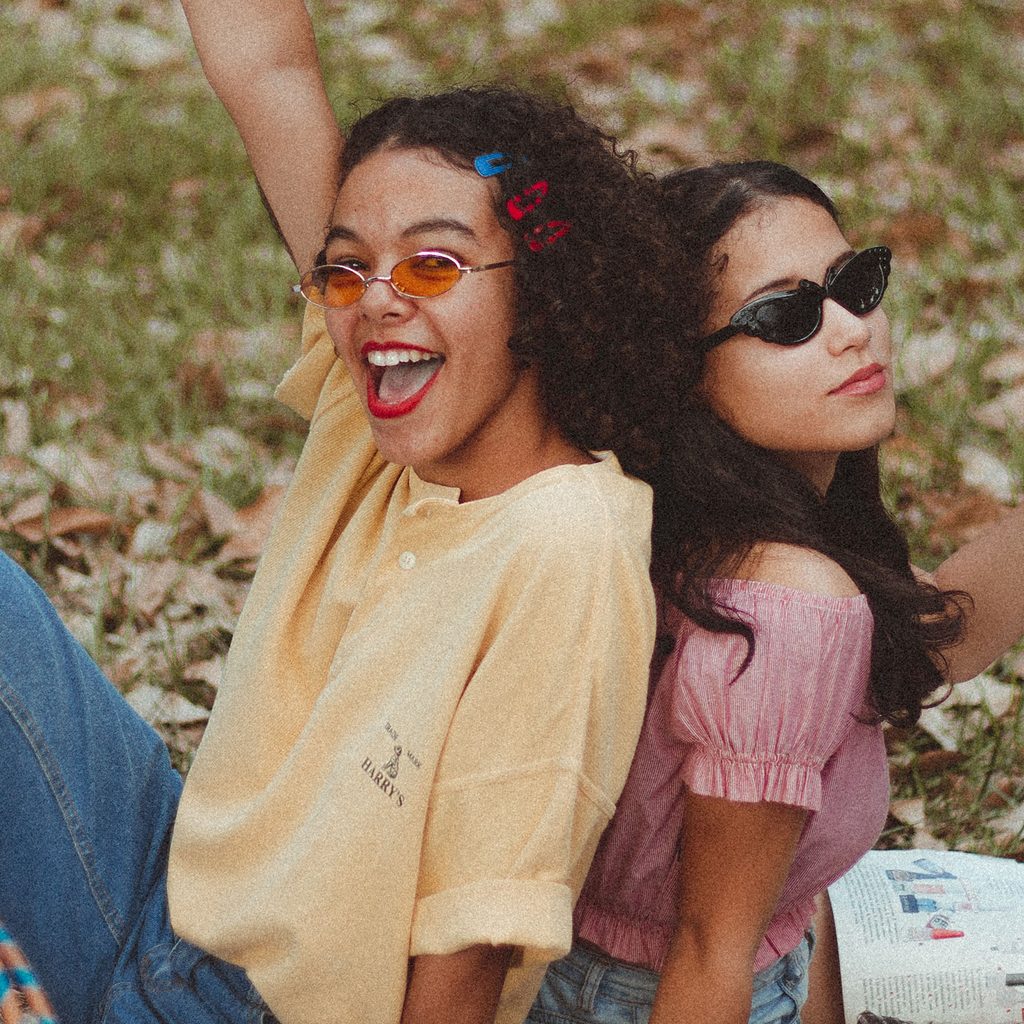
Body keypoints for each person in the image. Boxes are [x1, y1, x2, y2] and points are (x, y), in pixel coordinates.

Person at [0, 7, 695, 1024]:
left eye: (433, 264)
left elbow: (472, 935)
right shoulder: (373, 411)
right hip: (165, 893)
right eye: (344, 267)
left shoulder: (564, 544)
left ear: (543, 295)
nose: (375, 302)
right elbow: (266, 66)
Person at [526, 160, 1024, 1024]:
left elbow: (932, 636)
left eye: (855, 285)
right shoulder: (785, 602)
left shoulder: (693, 523)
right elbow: (708, 950)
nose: (850, 331)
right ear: (681, 372)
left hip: (661, 954)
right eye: (785, 316)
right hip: (664, 993)